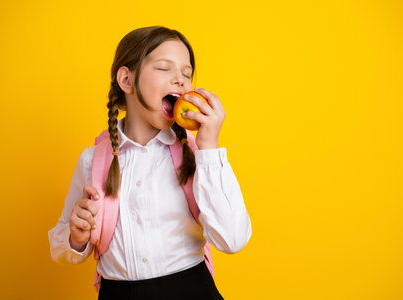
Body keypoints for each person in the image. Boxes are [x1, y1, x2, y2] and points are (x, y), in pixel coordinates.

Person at [48, 26, 252, 300]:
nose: (180, 80)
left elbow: (233, 240)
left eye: (187, 73)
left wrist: (210, 147)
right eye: (165, 68)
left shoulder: (197, 155)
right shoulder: (92, 160)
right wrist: (76, 237)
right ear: (127, 79)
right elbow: (61, 251)